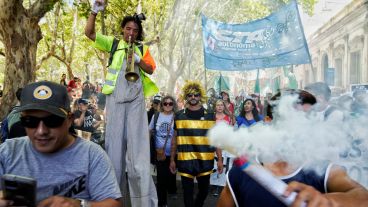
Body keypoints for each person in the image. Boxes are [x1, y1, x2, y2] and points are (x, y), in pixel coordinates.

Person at [216, 89, 368, 207]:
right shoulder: (241, 174)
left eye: (307, 118)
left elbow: (363, 197)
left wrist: (329, 202)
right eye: (292, 117)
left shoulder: (321, 168)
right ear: (268, 121)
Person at [0, 81, 121, 206]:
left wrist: (79, 205)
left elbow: (113, 202)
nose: (41, 131)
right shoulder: (7, 152)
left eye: (52, 121)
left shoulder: (92, 155)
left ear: (69, 120)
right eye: (30, 121)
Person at [85, 0, 158, 206]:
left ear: (138, 33)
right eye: (128, 28)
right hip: (115, 99)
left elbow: (151, 69)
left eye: (135, 30)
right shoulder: (114, 43)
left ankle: (142, 201)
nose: (131, 32)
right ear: (122, 30)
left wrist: (138, 60)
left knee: (138, 154)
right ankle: (112, 199)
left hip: (135, 100)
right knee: (113, 151)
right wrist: (94, 12)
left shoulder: (142, 48)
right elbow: (89, 34)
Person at [169, 81, 223, 207]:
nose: (193, 97)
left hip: (205, 161)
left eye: (196, 95)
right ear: (186, 97)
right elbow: (174, 140)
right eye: (190, 95)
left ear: (200, 96)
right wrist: (172, 159)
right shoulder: (179, 115)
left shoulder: (210, 115)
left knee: (204, 192)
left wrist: (220, 159)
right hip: (185, 161)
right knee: (187, 194)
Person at [149, 95, 178, 207]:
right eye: (165, 103)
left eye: (170, 103)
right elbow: (149, 130)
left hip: (172, 153)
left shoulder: (176, 117)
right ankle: (162, 203)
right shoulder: (156, 116)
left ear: (173, 105)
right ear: (162, 104)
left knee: (169, 176)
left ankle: (171, 192)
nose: (168, 105)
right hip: (159, 153)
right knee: (161, 179)